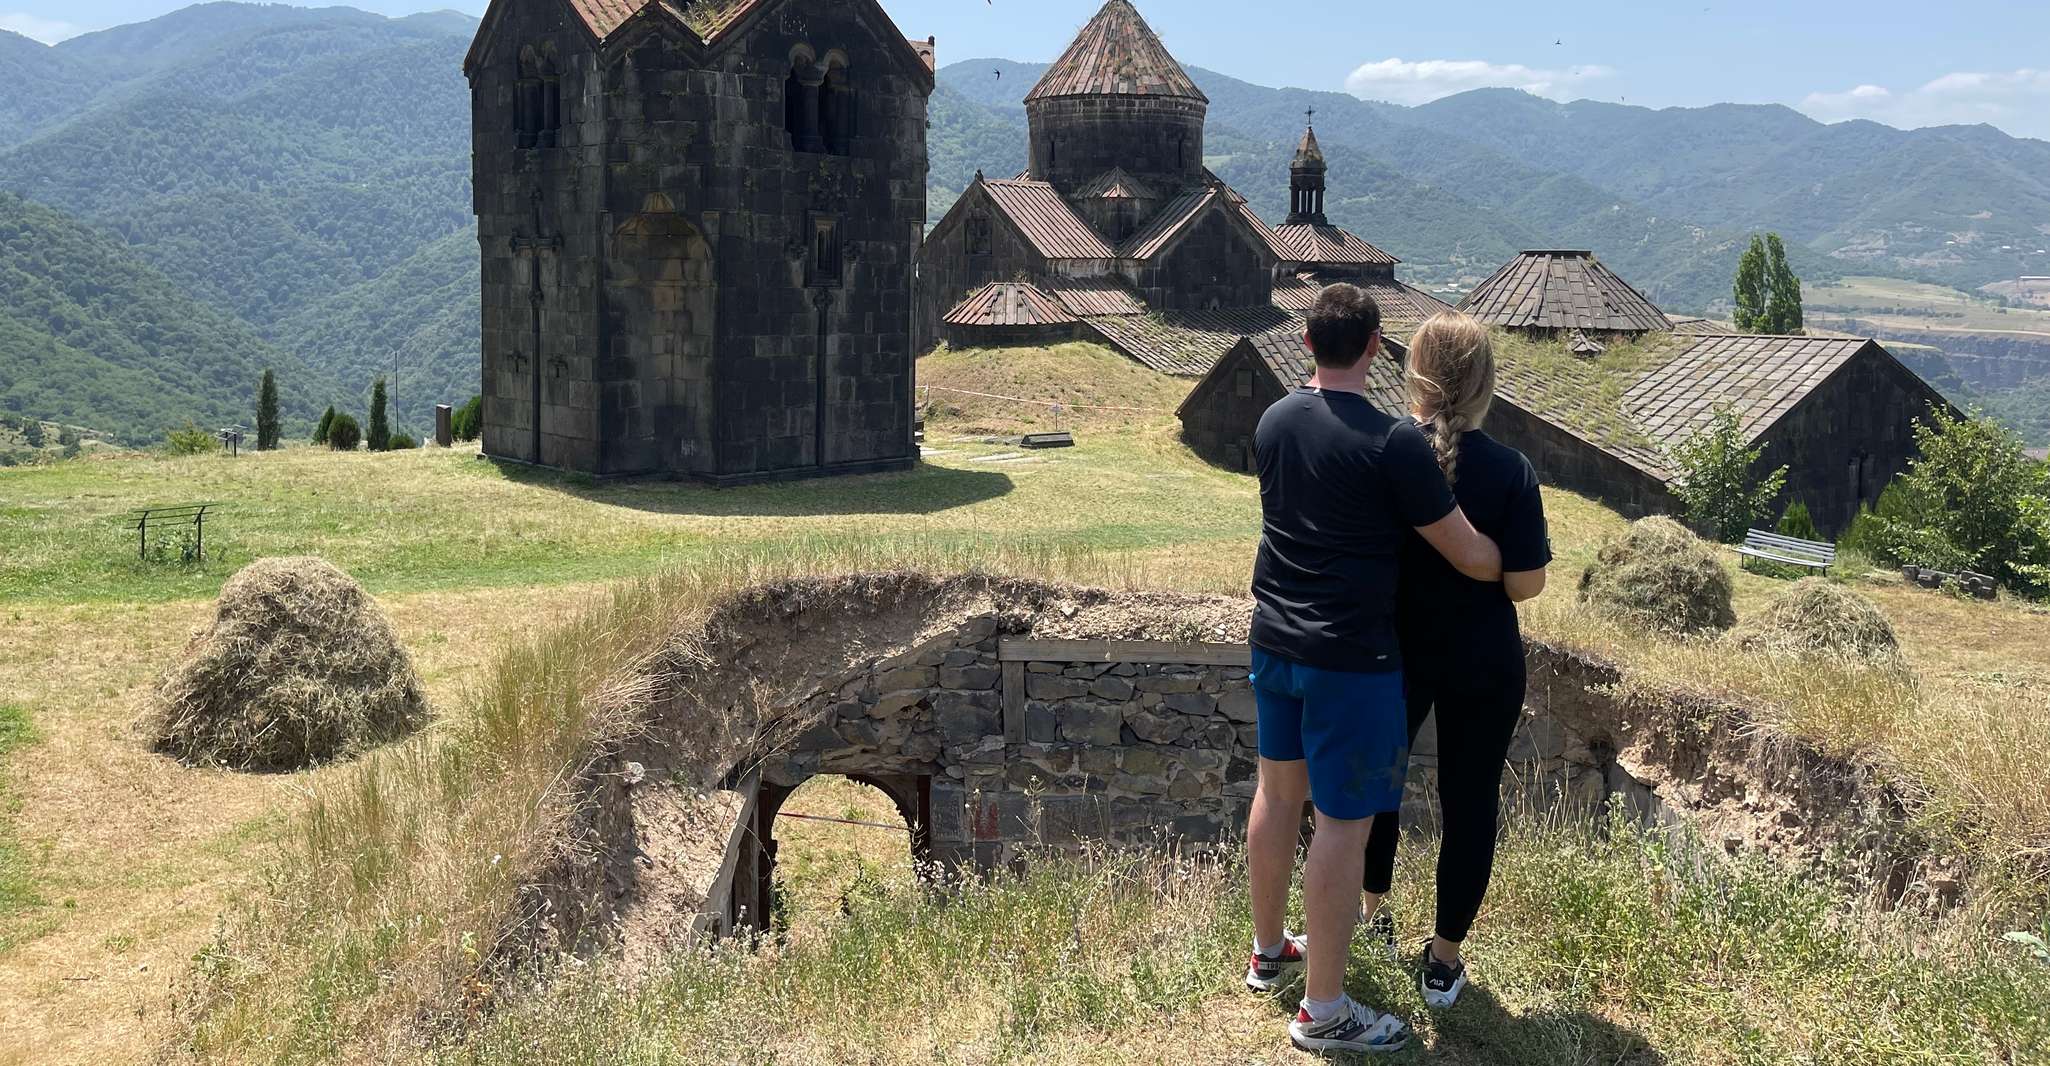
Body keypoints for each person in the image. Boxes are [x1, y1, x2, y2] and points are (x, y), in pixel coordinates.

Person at [1242, 285, 1503, 1056]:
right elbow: (1463, 549)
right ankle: (1324, 1011)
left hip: (1273, 639)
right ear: (1374, 346)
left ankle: (1269, 954)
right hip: (1351, 657)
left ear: (1306, 345)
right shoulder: (1395, 444)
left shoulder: (1274, 419)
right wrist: (1511, 562)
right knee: (1344, 826)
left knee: (1277, 795)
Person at [1361, 310, 1552, 1009]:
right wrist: (1491, 559)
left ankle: (1371, 919)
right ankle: (1442, 963)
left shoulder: (1386, 451)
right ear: (1485, 383)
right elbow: (1526, 584)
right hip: (1483, 657)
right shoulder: (1512, 472)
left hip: (1393, 648)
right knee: (1470, 805)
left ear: (1413, 373)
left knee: (1377, 786)